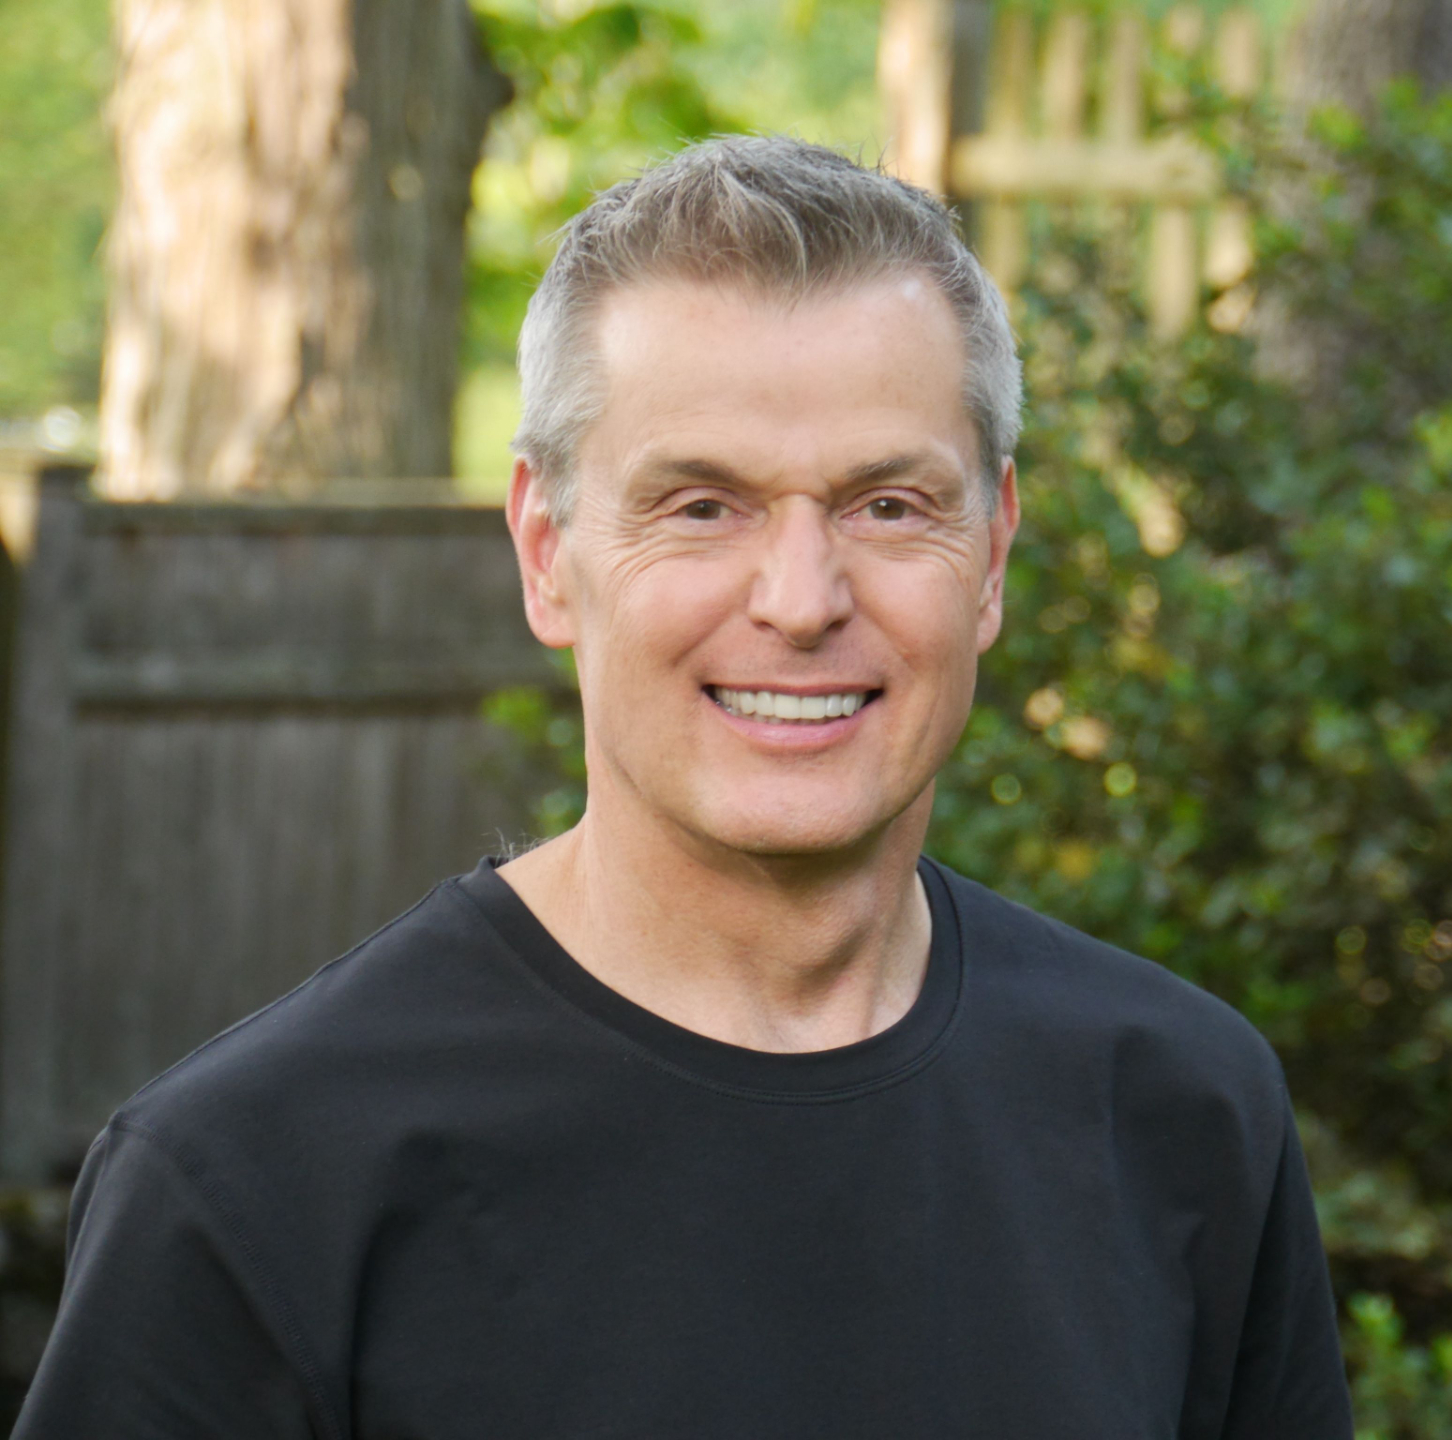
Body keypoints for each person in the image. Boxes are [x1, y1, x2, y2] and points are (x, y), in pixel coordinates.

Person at [15, 136, 1353, 1439]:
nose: (802, 601)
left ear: (993, 553)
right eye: (702, 506)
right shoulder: (255, 1182)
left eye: (888, 505)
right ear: (548, 553)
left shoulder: (1179, 1114)